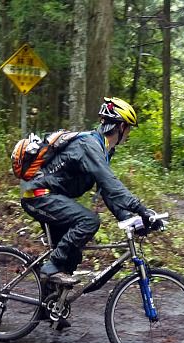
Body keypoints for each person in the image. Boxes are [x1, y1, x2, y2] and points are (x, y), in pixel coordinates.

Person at [20, 97, 160, 321]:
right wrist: (142, 209)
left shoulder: (102, 149)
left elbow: (106, 190)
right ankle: (50, 268)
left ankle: (47, 309)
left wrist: (129, 219)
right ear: (121, 126)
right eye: (129, 129)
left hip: (53, 198)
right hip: (39, 196)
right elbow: (112, 183)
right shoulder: (90, 146)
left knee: (71, 256)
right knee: (89, 221)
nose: (129, 134)